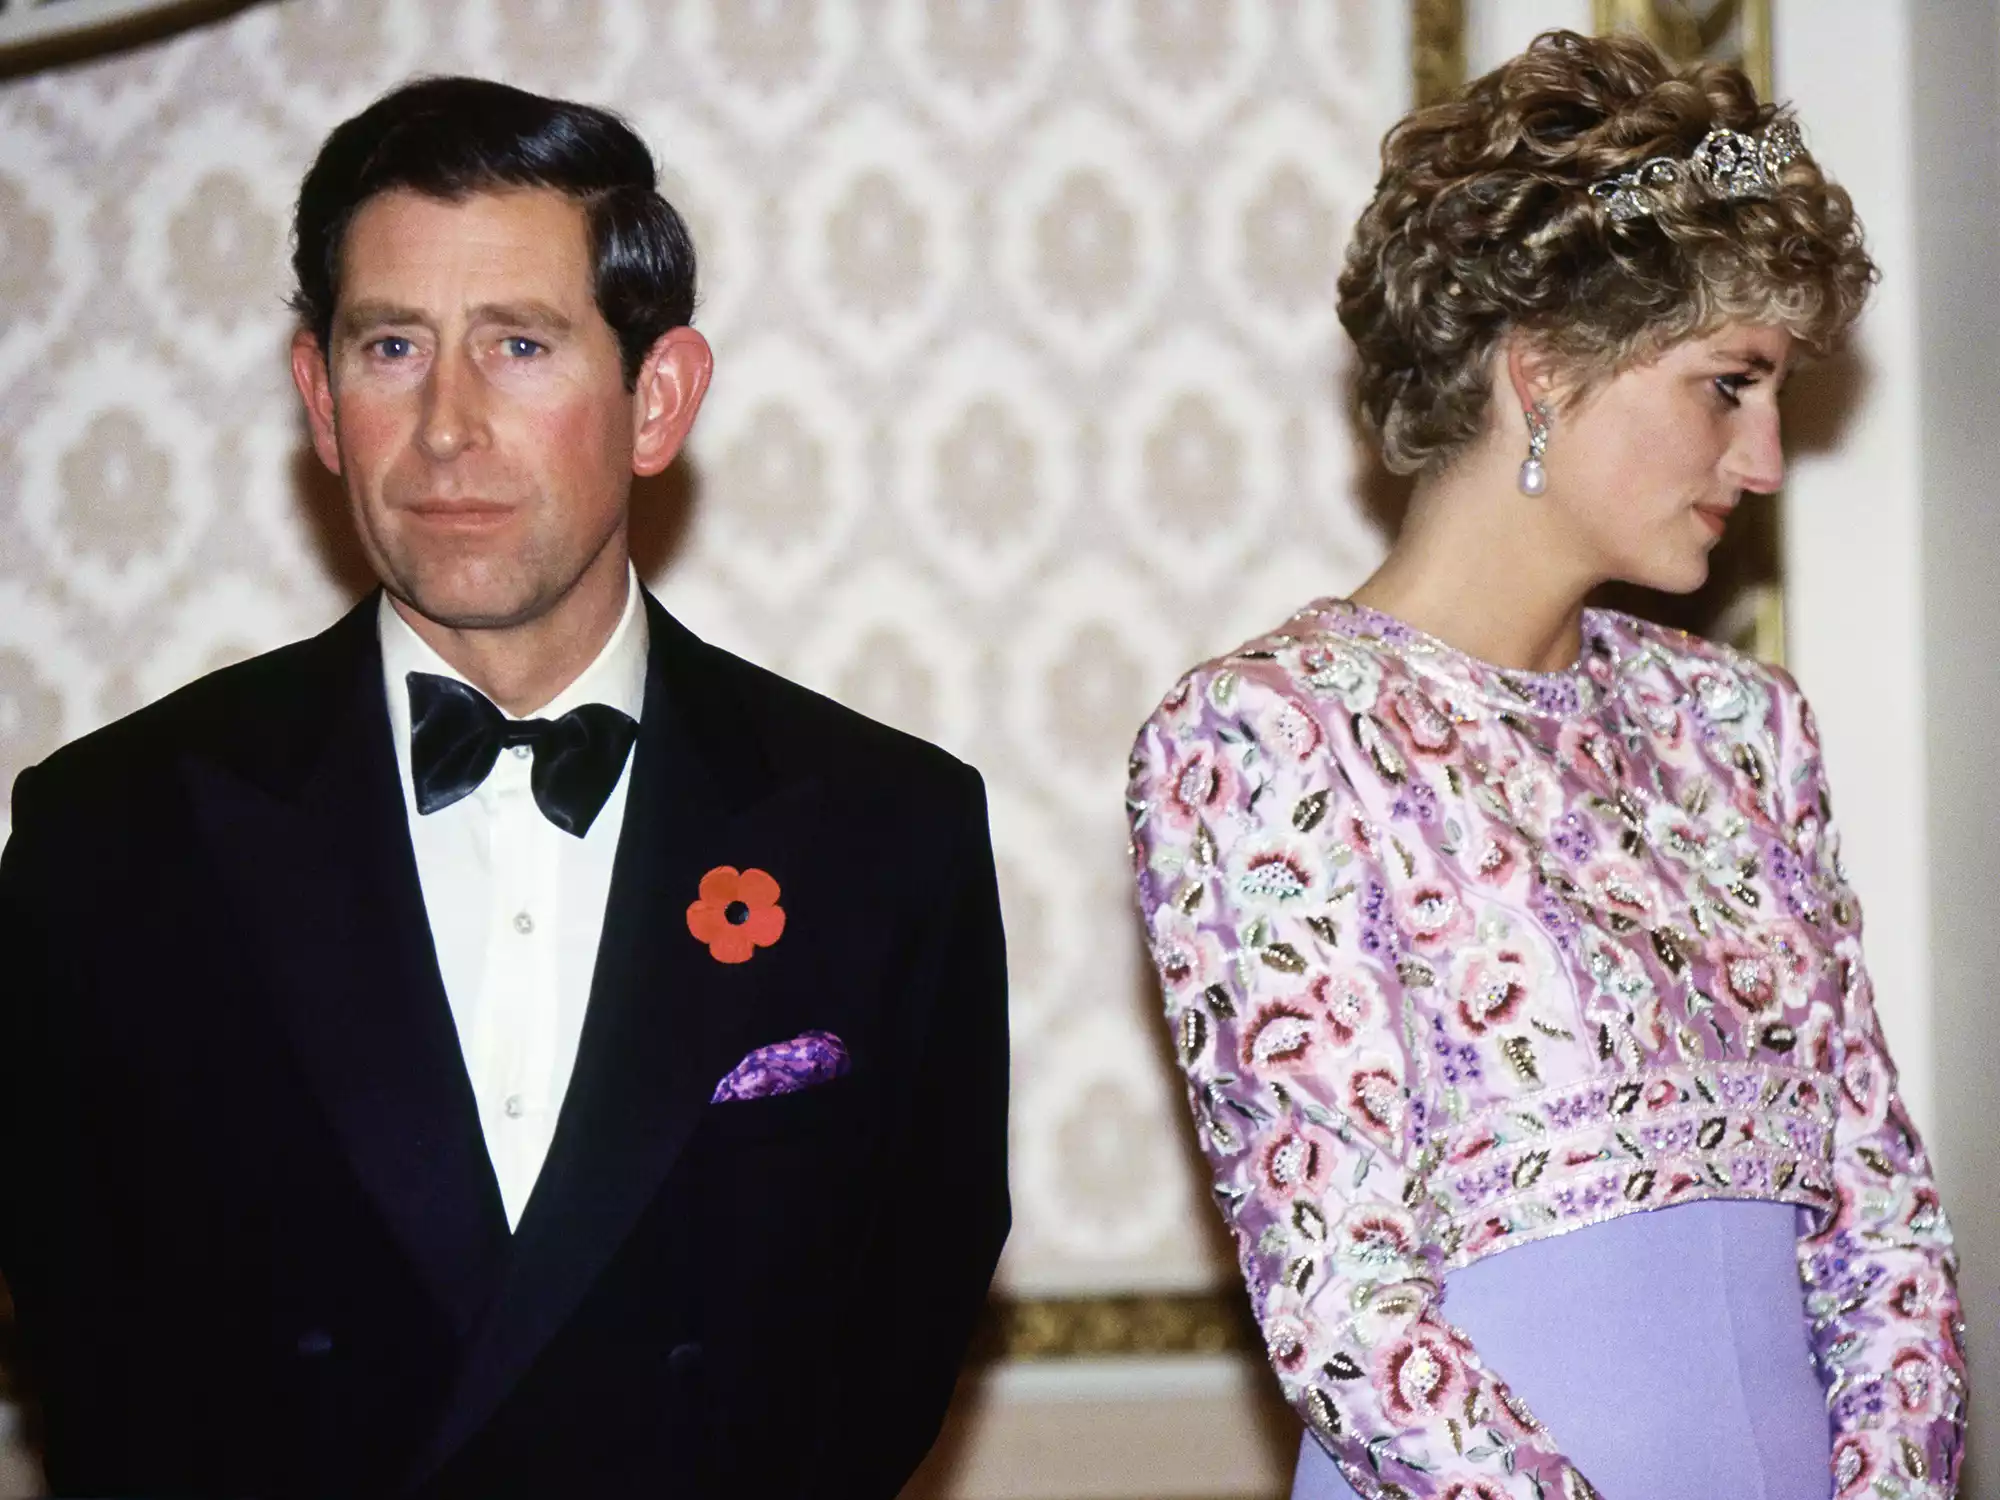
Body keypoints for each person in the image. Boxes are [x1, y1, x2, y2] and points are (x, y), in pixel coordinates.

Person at [0, 76, 1009, 1499]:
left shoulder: (887, 834)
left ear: (656, 399)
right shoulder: (110, 837)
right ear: (321, 399)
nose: (449, 426)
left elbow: (905, 1312)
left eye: (521, 345)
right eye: (393, 346)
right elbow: (90, 1348)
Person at [1127, 30, 1962, 1500]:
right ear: (1544, 373)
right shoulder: (1268, 736)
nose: (1764, 460)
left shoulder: (1745, 730)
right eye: (1729, 385)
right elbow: (1347, 1308)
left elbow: (1883, 1227)